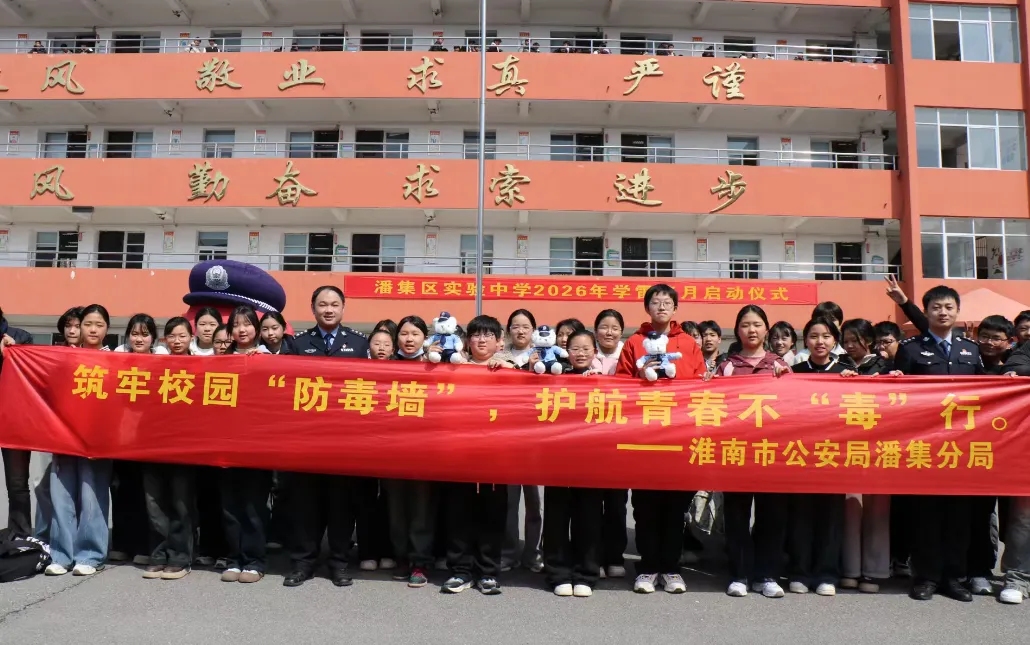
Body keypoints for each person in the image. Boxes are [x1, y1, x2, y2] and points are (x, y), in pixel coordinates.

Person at [894, 285, 981, 602]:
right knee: (925, 514)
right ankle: (926, 577)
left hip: (963, 446)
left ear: (957, 311)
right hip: (924, 445)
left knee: (959, 515)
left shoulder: (971, 350)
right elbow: (895, 393)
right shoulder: (910, 349)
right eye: (936, 307)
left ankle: (954, 578)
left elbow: (989, 391)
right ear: (926, 311)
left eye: (948, 307)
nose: (943, 312)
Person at [617, 284, 706, 594]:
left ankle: (671, 568)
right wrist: (640, 378)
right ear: (647, 308)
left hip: (679, 436)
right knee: (645, 506)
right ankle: (647, 567)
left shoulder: (688, 344)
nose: (662, 307)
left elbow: (700, 385)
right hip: (643, 437)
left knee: (675, 506)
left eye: (667, 302)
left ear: (675, 308)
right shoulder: (634, 342)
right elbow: (620, 384)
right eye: (655, 302)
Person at [282, 286, 372, 588]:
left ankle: (339, 563)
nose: (329, 310)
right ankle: (303, 563)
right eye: (323, 304)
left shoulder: (359, 344)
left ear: (343, 308)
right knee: (305, 505)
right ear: (313, 309)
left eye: (334, 304)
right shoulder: (297, 343)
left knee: (341, 506)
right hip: (306, 439)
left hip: (344, 441)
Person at [712, 305, 790, 598]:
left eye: (757, 324)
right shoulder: (726, 366)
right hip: (737, 451)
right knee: (737, 515)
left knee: (772, 516)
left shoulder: (779, 365)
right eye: (745, 325)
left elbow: (795, 406)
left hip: (772, 452)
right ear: (737, 330)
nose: (751, 330)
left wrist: (787, 380)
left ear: (766, 329)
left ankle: (767, 575)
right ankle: (739, 574)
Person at [441, 315, 514, 595]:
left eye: (488, 335)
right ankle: (460, 571)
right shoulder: (454, 368)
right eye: (476, 335)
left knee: (492, 515)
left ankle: (488, 572)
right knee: (459, 514)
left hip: (496, 456)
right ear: (467, 340)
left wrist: (509, 368)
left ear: (499, 341)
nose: (481, 340)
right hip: (459, 454)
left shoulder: (510, 369)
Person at [47, 304, 113, 576]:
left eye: (99, 324)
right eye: (88, 324)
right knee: (61, 495)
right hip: (64, 436)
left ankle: (90, 554)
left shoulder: (116, 361)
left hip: (98, 439)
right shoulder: (63, 357)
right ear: (79, 327)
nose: (93, 329)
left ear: (107, 329)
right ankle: (61, 554)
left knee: (91, 495)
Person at [787, 316, 850, 597]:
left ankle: (827, 573)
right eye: (813, 336)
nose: (820, 342)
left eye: (826, 336)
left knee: (831, 517)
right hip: (801, 455)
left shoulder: (846, 372)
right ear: (805, 341)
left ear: (834, 340)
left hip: (834, 456)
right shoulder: (794, 372)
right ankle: (799, 572)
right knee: (801, 516)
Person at [543, 329, 606, 597]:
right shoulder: (554, 378)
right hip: (558, 459)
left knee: (589, 518)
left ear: (595, 352)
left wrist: (598, 384)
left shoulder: (606, 381)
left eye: (586, 349)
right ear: (566, 351)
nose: (580, 354)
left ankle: (586, 574)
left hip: (592, 461)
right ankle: (557, 573)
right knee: (556, 517)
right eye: (575, 349)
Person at [835, 319, 892, 594]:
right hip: (846, 448)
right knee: (850, 507)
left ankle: (873, 571)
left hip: (880, 447)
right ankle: (849, 569)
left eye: (855, 340)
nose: (849, 345)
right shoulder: (837, 367)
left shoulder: (887, 367)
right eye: (845, 340)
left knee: (877, 509)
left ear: (868, 340)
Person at [141, 317, 197, 581]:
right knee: (155, 502)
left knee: (180, 502)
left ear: (191, 338)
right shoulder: (155, 367)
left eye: (182, 336)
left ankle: (180, 557)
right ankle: (159, 553)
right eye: (172, 336)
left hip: (185, 445)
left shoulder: (203, 367)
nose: (177, 341)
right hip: (153, 443)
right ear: (164, 340)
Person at [384, 315, 438, 587]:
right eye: (404, 334)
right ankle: (401, 557)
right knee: (396, 507)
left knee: (421, 508)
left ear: (424, 338)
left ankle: (419, 561)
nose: (409, 339)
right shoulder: (385, 366)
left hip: (424, 450)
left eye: (415, 334)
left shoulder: (433, 366)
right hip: (392, 450)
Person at [220, 306, 272, 584]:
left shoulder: (267, 359)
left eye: (247, 324)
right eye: (236, 325)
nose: (242, 329)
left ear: (256, 328)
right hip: (227, 442)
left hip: (256, 444)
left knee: (253, 505)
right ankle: (234, 558)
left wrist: (260, 363)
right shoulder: (221, 361)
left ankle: (254, 561)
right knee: (230, 506)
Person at [109, 314, 164, 566]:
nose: (139, 339)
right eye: (134, 333)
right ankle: (121, 544)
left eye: (144, 334)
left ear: (153, 337)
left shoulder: (162, 362)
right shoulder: (117, 360)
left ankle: (143, 545)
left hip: (149, 436)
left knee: (146, 493)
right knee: (121, 489)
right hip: (121, 435)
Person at [502, 309, 544, 573]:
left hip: (536, 441)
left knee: (535, 502)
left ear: (533, 331)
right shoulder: (498, 357)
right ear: (508, 330)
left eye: (525, 326)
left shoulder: (545, 357)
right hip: (507, 440)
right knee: (509, 501)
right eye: (515, 326)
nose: (520, 331)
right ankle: (508, 552)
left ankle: (533, 553)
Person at [592, 310, 628, 577]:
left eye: (614, 328)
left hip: (620, 441)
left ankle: (615, 557)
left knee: (616, 504)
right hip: (591, 443)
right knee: (592, 504)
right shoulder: (585, 354)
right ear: (596, 331)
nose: (609, 332)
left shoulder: (631, 357)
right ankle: (593, 557)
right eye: (604, 327)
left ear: (621, 332)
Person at [0, 307, 33, 538]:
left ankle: (20, 536)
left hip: (15, 420)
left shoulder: (21, 337)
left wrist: (15, 353)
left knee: (17, 482)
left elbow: (35, 373)